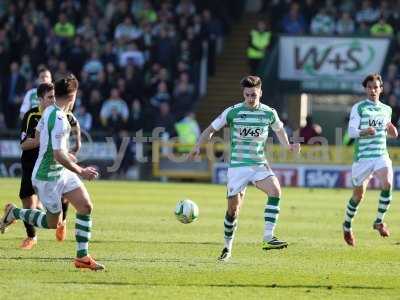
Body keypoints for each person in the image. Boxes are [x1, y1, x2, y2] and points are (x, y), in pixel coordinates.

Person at [189, 75, 301, 261]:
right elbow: (210, 130)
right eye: (248, 95)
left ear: (260, 93)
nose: (250, 98)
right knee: (233, 211)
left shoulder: (269, 113)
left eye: (254, 95)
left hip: (258, 164)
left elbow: (279, 130)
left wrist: (288, 146)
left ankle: (267, 237)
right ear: (243, 94)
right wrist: (197, 146)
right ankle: (227, 247)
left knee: (275, 191)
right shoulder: (232, 112)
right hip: (238, 167)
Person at [0, 74, 104, 271]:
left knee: (85, 206)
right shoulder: (57, 118)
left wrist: (58, 148)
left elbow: (40, 135)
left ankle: (82, 257)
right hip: (47, 176)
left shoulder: (50, 111)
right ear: (73, 96)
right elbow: (57, 155)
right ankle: (14, 212)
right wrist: (81, 169)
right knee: (51, 223)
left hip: (61, 172)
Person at [342, 74, 398, 247]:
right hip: (363, 158)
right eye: (369, 87)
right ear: (365, 89)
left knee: (388, 181)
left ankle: (379, 221)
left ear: (381, 89)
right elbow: (351, 132)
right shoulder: (359, 108)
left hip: (381, 154)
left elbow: (388, 129)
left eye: (376, 87)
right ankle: (347, 224)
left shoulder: (386, 109)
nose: (373, 90)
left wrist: (392, 130)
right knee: (358, 196)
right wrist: (364, 131)